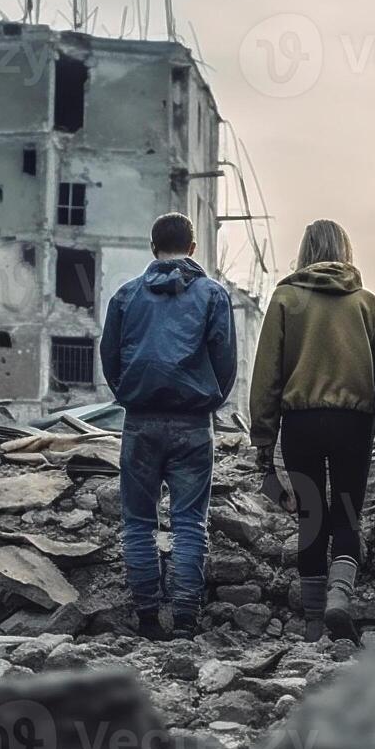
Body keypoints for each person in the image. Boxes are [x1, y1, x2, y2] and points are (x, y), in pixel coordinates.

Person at [101, 212, 237, 640]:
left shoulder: (126, 296)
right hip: (194, 423)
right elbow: (226, 362)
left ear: (152, 246)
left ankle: (146, 618)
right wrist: (210, 400)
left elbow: (110, 357)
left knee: (139, 522)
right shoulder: (213, 295)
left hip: (140, 422)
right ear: (194, 248)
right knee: (189, 523)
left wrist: (128, 394)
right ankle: (184, 620)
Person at [250, 219, 375, 642]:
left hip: (301, 423)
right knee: (347, 515)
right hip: (353, 423)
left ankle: (311, 625)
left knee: (311, 517)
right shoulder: (367, 303)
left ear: (306, 250)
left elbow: (267, 374)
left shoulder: (286, 299)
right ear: (345, 250)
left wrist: (263, 442)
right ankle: (339, 601)